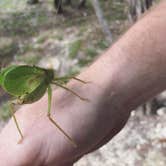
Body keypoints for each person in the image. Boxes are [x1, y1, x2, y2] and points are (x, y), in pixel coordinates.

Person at [0, 0, 166, 165]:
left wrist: (96, 91)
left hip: (38, 90)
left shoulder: (50, 79)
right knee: (48, 115)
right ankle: (25, 134)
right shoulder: (44, 78)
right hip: (33, 91)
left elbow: (70, 81)